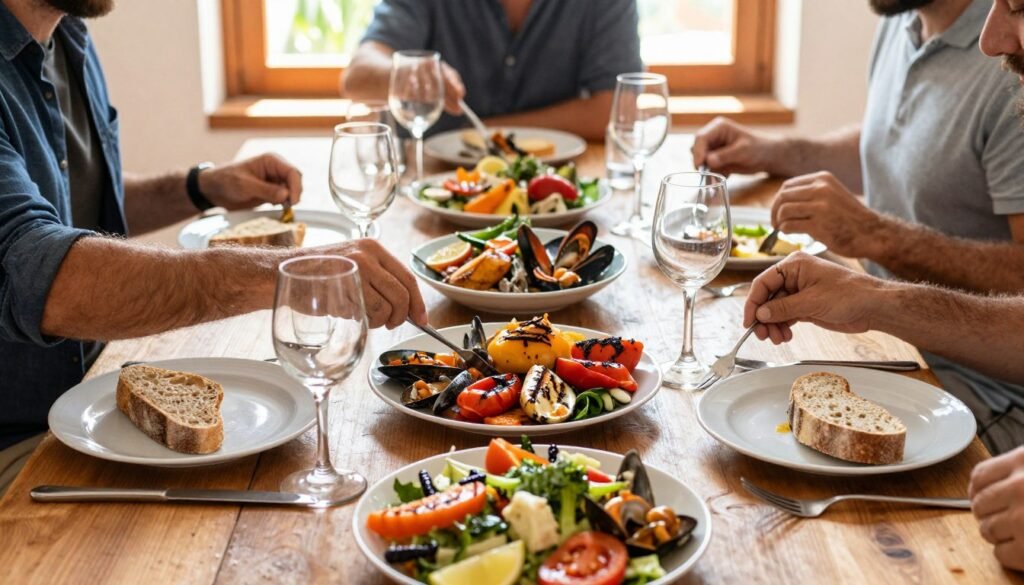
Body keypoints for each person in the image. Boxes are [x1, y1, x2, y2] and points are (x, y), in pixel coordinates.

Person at [0, 0, 427, 484]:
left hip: (96, 401)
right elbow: (43, 276)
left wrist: (199, 188)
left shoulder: (68, 32)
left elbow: (76, 205)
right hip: (22, 447)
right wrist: (292, 274)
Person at [694, 0, 1024, 454]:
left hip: (976, 389)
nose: (993, 35)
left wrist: (878, 240)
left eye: (1017, 7)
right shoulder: (903, 18)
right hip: (888, 341)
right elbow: (899, 150)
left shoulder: (1009, 66)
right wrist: (779, 152)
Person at [341, 0, 643, 140]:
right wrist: (404, 72)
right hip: (427, 187)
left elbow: (617, 108)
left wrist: (484, 130)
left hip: (556, 187)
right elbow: (356, 77)